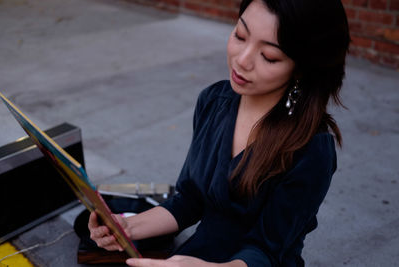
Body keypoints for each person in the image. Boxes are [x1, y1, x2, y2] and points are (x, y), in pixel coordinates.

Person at [88, 0, 350, 266]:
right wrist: (127, 228)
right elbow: (189, 201)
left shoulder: (310, 149)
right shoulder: (214, 101)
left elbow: (266, 251)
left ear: (301, 69)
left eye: (269, 56)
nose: (243, 59)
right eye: (240, 35)